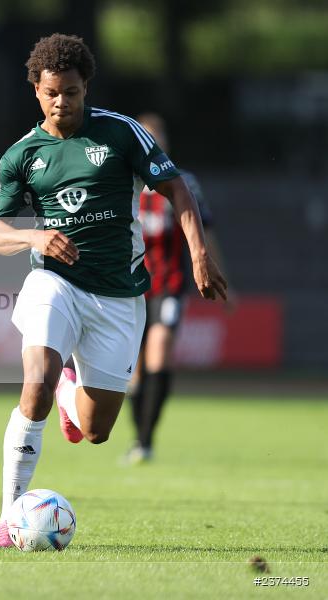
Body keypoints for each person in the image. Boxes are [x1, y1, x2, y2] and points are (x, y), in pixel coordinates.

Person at [0, 34, 227, 547]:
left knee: (96, 431)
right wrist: (34, 236)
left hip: (117, 296)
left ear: (85, 87)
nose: (61, 102)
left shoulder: (121, 133)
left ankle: (71, 391)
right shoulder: (21, 155)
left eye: (71, 92)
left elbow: (175, 187)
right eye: (51, 93)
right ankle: (7, 520)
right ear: (36, 90)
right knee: (35, 382)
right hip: (55, 282)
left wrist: (199, 252)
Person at [125, 113, 230, 465]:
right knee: (132, 371)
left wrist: (218, 275)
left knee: (160, 349)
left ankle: (145, 441)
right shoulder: (125, 182)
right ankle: (138, 437)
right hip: (130, 289)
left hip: (169, 285)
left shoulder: (184, 183)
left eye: (159, 137)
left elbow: (205, 232)